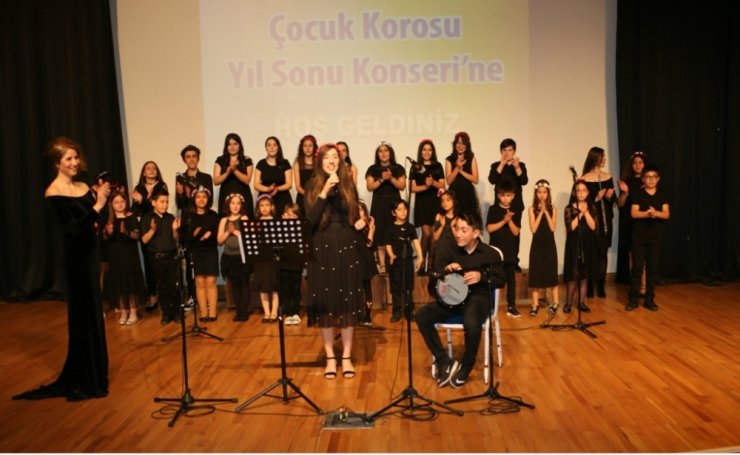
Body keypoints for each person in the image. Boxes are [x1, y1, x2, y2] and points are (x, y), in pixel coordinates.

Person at [13, 137, 110, 401]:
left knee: (94, 314)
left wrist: (100, 202)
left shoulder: (83, 186)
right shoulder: (53, 193)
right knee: (82, 317)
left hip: (91, 257)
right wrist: (97, 206)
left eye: (76, 157)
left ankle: (96, 374)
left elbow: (94, 221)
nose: (75, 162)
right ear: (57, 163)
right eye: (69, 158)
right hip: (76, 261)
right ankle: (84, 377)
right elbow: (71, 230)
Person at [415, 212, 505, 388]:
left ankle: (466, 366)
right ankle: (444, 360)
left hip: (478, 299)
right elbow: (434, 285)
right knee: (422, 316)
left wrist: (481, 276)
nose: (458, 234)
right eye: (456, 229)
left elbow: (501, 280)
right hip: (453, 298)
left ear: (476, 233)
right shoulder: (449, 251)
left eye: (464, 230)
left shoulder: (489, 253)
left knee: (471, 321)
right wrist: (445, 272)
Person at [305, 143, 367, 380]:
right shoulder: (312, 185)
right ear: (320, 162)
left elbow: (354, 215)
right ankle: (331, 357)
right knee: (326, 304)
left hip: (346, 246)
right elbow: (310, 221)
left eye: (335, 157)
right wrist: (324, 192)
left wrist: (360, 222)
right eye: (327, 157)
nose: (332, 160)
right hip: (322, 247)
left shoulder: (347, 183)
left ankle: (347, 356)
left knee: (348, 303)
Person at [627, 165, 669, 312]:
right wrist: (647, 214)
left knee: (652, 270)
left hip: (655, 238)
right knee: (637, 269)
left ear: (658, 179)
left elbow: (666, 214)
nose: (651, 180)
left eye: (653, 177)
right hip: (639, 237)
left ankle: (649, 300)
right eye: (648, 177)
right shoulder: (638, 194)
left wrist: (656, 213)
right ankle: (633, 300)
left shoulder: (662, 194)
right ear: (643, 179)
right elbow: (634, 213)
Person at [175, 144, 214, 303]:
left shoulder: (205, 177)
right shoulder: (180, 178)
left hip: (203, 219)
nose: (191, 159)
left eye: (194, 156)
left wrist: (192, 194)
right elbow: (179, 204)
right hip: (188, 220)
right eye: (188, 157)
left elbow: (209, 200)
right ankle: (192, 296)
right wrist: (181, 194)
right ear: (184, 160)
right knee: (190, 260)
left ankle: (206, 299)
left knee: (205, 259)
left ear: (198, 158)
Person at [103, 191, 146, 325]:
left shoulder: (131, 216)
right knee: (119, 281)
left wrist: (126, 232)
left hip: (129, 254)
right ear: (111, 205)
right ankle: (123, 311)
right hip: (115, 254)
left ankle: (133, 311)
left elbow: (137, 236)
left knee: (130, 281)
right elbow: (104, 238)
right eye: (116, 202)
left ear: (126, 202)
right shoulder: (109, 219)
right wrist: (108, 232)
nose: (120, 204)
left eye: (122, 201)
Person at [131, 161, 168, 312]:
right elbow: (135, 209)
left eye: (154, 168)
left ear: (157, 171)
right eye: (148, 168)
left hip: (160, 224)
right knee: (148, 262)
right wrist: (138, 202)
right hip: (145, 226)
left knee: (162, 261)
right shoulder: (138, 188)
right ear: (144, 172)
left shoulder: (161, 186)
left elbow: (156, 206)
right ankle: (152, 295)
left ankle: (164, 295)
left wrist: (142, 200)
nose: (151, 170)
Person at [140, 189, 181, 325]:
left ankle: (176, 312)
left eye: (167, 202)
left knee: (173, 285)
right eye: (162, 202)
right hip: (156, 258)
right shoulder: (147, 218)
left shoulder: (170, 218)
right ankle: (166, 313)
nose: (165, 205)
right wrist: (152, 230)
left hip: (171, 256)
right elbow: (144, 240)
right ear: (154, 202)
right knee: (162, 287)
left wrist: (175, 229)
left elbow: (176, 239)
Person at [365, 141, 406, 275]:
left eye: (386, 150)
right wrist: (382, 179)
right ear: (377, 154)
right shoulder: (373, 169)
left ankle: (395, 264)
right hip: (379, 204)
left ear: (390, 153)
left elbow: (402, 186)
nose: (383, 153)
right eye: (380, 151)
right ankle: (382, 265)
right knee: (380, 235)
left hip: (394, 204)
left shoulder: (398, 168)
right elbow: (369, 187)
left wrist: (391, 178)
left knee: (395, 234)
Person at [580, 146, 616, 298]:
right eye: (603, 156)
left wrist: (610, 196)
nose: (605, 159)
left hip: (605, 219)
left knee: (603, 252)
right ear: (595, 158)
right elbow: (583, 202)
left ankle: (601, 285)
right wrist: (596, 198)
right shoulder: (584, 179)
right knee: (591, 252)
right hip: (592, 220)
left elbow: (613, 201)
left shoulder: (608, 177)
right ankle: (589, 285)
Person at [488, 138, 528, 269]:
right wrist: (501, 164)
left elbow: (524, 180)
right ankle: (497, 259)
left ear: (514, 151)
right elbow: (492, 179)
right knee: (499, 232)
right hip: (500, 205)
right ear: (500, 151)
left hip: (515, 205)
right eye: (504, 150)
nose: (507, 152)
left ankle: (513, 261)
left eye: (510, 150)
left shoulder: (520, 165)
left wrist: (517, 167)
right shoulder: (496, 165)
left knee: (515, 233)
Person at [409, 139, 446, 275]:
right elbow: (412, 188)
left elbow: (442, 185)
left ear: (433, 152)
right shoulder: (415, 167)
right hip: (422, 204)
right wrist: (425, 186)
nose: (427, 152)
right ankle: (421, 263)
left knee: (434, 237)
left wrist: (433, 183)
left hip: (435, 203)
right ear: (420, 151)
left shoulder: (438, 166)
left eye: (429, 150)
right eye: (424, 149)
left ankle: (430, 266)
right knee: (426, 234)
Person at [486, 181, 522, 318]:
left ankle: (511, 306)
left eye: (508, 195)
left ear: (513, 196)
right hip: (496, 251)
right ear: (498, 196)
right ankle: (490, 305)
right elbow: (490, 228)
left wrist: (510, 220)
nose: (505, 198)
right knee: (493, 278)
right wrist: (504, 221)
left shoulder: (515, 211)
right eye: (503, 195)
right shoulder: (493, 209)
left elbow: (516, 232)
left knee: (511, 280)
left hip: (510, 250)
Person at [185, 187, 220, 322]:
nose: (201, 199)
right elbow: (184, 238)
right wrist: (194, 234)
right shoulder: (189, 216)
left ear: (208, 199)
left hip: (210, 250)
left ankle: (213, 312)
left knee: (211, 281)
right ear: (194, 199)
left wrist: (210, 234)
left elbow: (217, 234)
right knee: (200, 282)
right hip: (196, 250)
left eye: (204, 197)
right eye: (198, 197)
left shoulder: (213, 215)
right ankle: (203, 312)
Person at [217, 193, 253, 322]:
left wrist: (236, 232)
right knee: (235, 285)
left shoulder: (244, 218)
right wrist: (228, 231)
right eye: (233, 203)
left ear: (241, 205)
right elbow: (219, 241)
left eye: (238, 203)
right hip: (229, 257)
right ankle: (239, 311)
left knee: (244, 284)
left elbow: (248, 237)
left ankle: (245, 311)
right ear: (228, 205)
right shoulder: (224, 220)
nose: (235, 206)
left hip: (241, 257)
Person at [562, 180, 597, 313]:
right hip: (573, 244)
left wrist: (586, 212)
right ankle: (568, 303)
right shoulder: (569, 208)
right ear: (574, 193)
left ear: (587, 192)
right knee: (573, 275)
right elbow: (570, 227)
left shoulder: (592, 207)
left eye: (583, 190)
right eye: (578, 190)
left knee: (584, 276)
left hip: (588, 244)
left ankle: (581, 303)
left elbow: (593, 227)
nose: (581, 193)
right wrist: (580, 213)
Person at [386, 200, 423, 322]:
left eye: (405, 209)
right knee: (396, 288)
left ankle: (409, 312)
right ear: (393, 213)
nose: (403, 212)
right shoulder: (390, 228)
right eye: (399, 209)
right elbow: (388, 244)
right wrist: (391, 255)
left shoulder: (410, 227)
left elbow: (416, 242)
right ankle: (397, 312)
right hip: (395, 263)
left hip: (407, 262)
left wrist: (420, 256)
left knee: (408, 288)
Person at [527, 179, 559, 316]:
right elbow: (533, 229)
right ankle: (535, 304)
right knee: (535, 274)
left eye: (544, 192)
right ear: (536, 193)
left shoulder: (554, 209)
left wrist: (546, 212)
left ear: (548, 193)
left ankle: (555, 303)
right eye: (539, 192)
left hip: (549, 245)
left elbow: (552, 227)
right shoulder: (531, 209)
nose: (542, 195)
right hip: (537, 245)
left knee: (552, 273)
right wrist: (540, 213)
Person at [616, 151, 647, 285]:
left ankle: (644, 284)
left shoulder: (648, 181)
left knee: (643, 255)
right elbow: (620, 204)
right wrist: (625, 192)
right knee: (631, 254)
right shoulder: (627, 182)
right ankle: (634, 283)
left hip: (643, 222)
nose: (637, 165)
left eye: (640, 162)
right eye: (635, 163)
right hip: (629, 222)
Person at [214, 132, 255, 220]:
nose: (232, 147)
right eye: (229, 144)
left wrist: (235, 170)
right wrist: (227, 172)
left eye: (235, 144)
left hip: (243, 195)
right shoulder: (220, 160)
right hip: (226, 195)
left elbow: (247, 180)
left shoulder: (247, 160)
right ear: (226, 146)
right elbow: (216, 181)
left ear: (239, 145)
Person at [252, 194, 280, 322]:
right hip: (260, 258)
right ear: (258, 208)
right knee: (262, 285)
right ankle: (267, 313)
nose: (264, 208)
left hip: (273, 258)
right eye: (261, 205)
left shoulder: (276, 222)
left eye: (267, 205)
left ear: (272, 207)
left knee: (274, 285)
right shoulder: (255, 223)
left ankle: (274, 312)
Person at [255, 136, 293, 217]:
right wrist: (268, 189)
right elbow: (256, 184)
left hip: (282, 198)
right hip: (265, 199)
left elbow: (289, 184)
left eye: (274, 145)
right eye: (269, 145)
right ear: (266, 148)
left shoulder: (285, 163)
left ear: (278, 147)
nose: (272, 147)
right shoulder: (261, 163)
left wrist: (277, 188)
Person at [444, 131, 480, 219]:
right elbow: (448, 181)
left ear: (467, 145)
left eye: (463, 143)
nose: (460, 146)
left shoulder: (471, 158)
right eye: (458, 143)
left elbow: (475, 180)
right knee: (454, 219)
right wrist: (457, 168)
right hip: (454, 193)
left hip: (468, 194)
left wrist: (461, 171)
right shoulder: (449, 159)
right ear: (455, 144)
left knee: (469, 220)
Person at [279, 203, 304, 325]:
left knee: (295, 290)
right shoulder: (280, 229)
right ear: (284, 215)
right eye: (288, 215)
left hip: (296, 265)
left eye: (294, 216)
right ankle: (288, 313)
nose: (290, 218)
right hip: (283, 265)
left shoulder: (300, 229)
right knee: (286, 290)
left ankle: (295, 312)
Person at [357, 201, 377, 325]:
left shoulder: (369, 225)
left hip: (366, 261)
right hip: (354, 261)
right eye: (357, 210)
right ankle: (356, 314)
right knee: (355, 289)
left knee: (367, 289)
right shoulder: (351, 226)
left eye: (361, 210)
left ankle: (367, 315)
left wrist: (371, 229)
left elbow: (370, 244)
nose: (359, 212)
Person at [293, 134, 317, 215]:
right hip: (302, 198)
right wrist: (308, 196)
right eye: (305, 146)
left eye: (310, 145)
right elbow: (298, 186)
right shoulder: (297, 163)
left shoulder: (319, 163)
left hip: (316, 198)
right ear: (301, 148)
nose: (307, 148)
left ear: (314, 147)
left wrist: (315, 196)